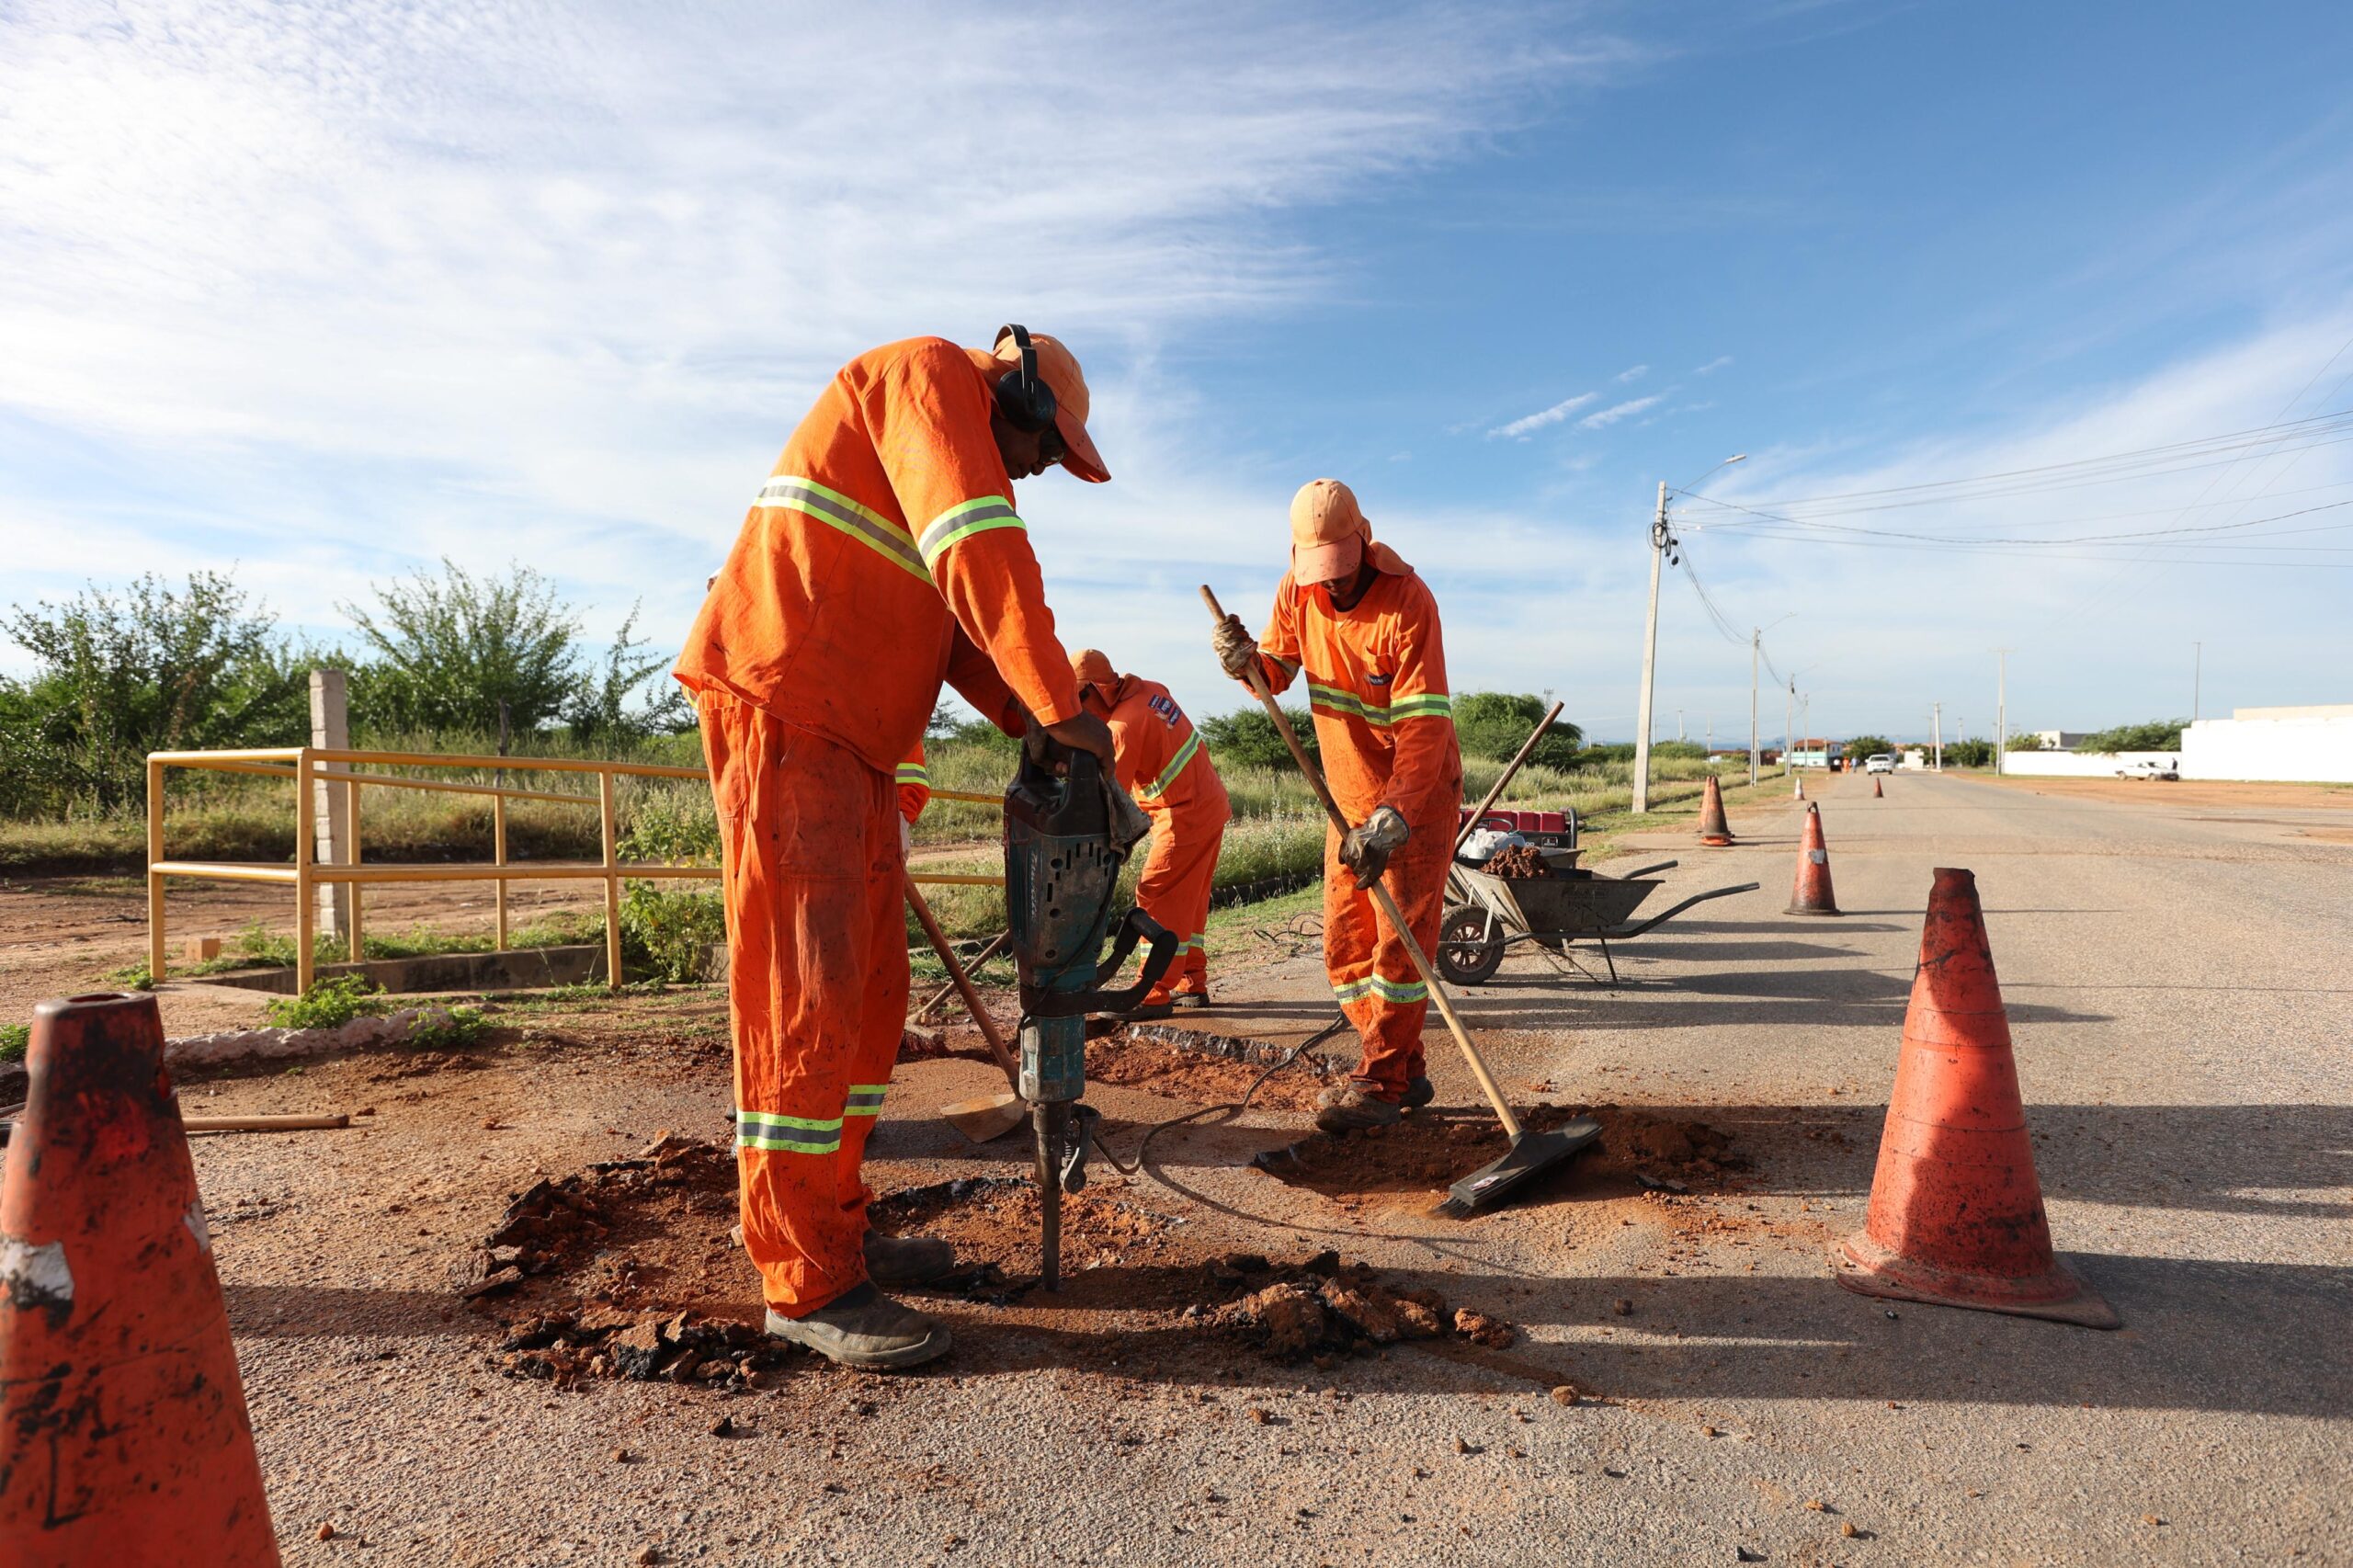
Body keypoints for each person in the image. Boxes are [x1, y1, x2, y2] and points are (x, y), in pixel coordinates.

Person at [674, 326, 1116, 1369]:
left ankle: (840, 1232)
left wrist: (1039, 722)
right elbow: (981, 551)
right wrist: (1061, 707)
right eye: (1044, 453)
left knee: (867, 1000)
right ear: (1021, 397)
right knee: (807, 997)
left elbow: (965, 626)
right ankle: (804, 1278)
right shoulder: (928, 378)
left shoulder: (933, 455)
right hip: (790, 705)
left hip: (854, 735)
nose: (1033, 473)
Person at [1210, 479, 1461, 1133]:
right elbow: (1277, 671)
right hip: (1346, 800)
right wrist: (1247, 664)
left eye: (1342, 573)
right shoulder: (1298, 589)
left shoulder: (1409, 602)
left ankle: (1380, 1082)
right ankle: (1405, 1067)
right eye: (1321, 574)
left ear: (1365, 541)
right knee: (1346, 948)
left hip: (1416, 799)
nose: (1333, 588)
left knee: (1399, 954)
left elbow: (1425, 727)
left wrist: (1394, 817)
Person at [1069, 648, 1232, 1017]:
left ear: (1098, 689)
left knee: (1156, 895)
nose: (1078, 710)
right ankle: (1192, 981)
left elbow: (1108, 799)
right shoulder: (1152, 689)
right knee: (1188, 903)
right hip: (1209, 804)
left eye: (1079, 699)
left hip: (1183, 814)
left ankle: (1152, 991)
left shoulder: (1122, 729)